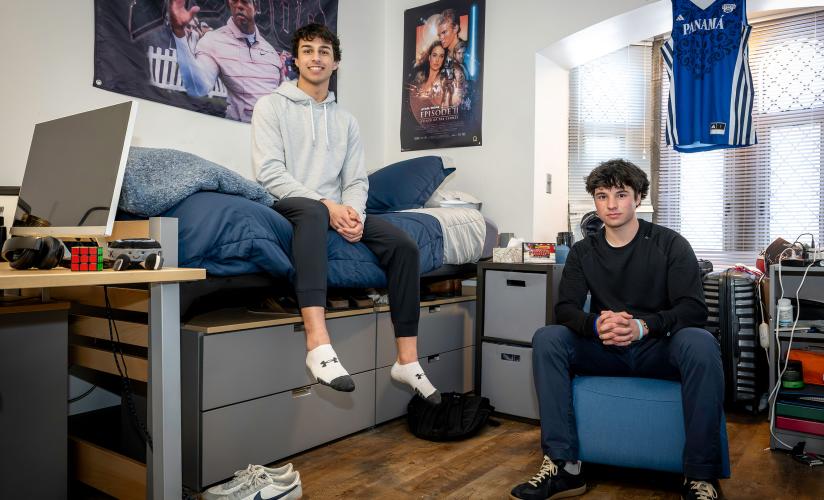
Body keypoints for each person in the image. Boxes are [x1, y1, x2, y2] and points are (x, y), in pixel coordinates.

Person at [510, 159, 725, 500]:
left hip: (658, 349)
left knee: (699, 342)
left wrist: (643, 327)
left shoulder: (671, 244)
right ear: (593, 201)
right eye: (602, 195)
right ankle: (564, 468)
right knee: (548, 338)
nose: (611, 204)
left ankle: (700, 477)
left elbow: (693, 309)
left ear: (638, 198)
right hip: (605, 348)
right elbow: (565, 309)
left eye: (621, 194)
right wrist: (594, 324)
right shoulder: (583, 252)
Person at [251, 23, 441, 404]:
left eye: (324, 51)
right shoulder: (270, 105)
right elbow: (270, 173)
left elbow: (356, 179)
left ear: (335, 62)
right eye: (308, 50)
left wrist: (351, 211)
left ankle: (406, 359)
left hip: (338, 207)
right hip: (289, 202)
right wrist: (328, 207)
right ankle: (318, 344)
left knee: (404, 245)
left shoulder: (346, 120)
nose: (316, 57)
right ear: (295, 59)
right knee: (313, 215)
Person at [169, 0, 289, 122]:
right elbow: (198, 87)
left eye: (244, 1)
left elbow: (281, 100)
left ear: (255, 6)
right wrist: (179, 34)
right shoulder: (213, 41)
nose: (239, 6)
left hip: (273, 134)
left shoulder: (270, 51)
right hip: (238, 133)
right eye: (234, 1)